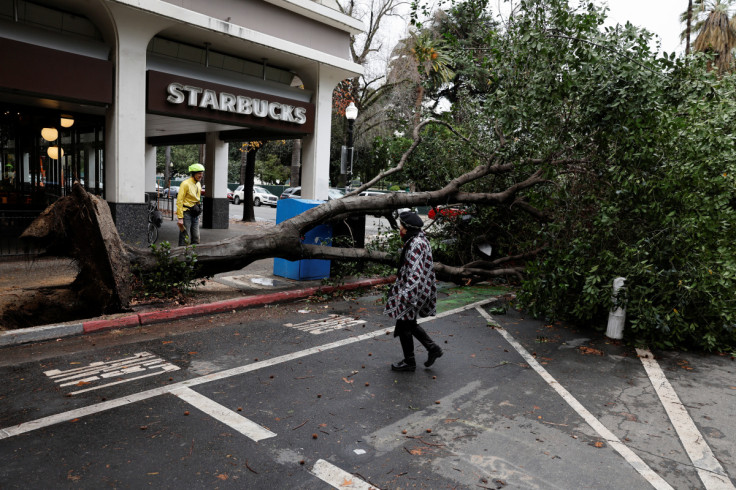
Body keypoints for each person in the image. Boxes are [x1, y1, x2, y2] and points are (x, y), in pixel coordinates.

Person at [384, 211, 442, 371]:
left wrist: (407, 295)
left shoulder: (416, 243)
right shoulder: (417, 239)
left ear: (407, 228)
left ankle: (411, 362)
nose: (399, 228)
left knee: (404, 324)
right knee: (407, 324)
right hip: (416, 290)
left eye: (401, 225)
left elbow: (415, 273)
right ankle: (432, 349)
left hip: (413, 292)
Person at [176, 163, 204, 246]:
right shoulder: (185, 184)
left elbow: (198, 200)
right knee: (185, 237)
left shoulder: (198, 184)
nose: (201, 175)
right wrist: (180, 218)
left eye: (202, 173)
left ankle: (193, 256)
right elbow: (179, 201)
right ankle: (180, 255)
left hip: (195, 213)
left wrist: (198, 214)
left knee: (196, 237)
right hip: (186, 213)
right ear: (194, 173)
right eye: (199, 173)